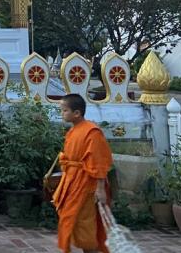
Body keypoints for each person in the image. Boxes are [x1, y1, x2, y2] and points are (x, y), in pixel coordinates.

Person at [53, 93, 113, 253]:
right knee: (70, 218)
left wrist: (100, 188)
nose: (62, 114)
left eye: (64, 110)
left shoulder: (92, 132)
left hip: (87, 185)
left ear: (77, 113)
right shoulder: (74, 130)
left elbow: (99, 161)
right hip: (72, 181)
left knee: (87, 224)